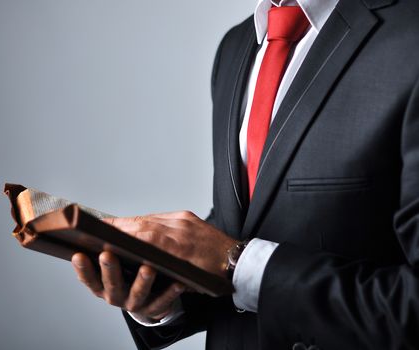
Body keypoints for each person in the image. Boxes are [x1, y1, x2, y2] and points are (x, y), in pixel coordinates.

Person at [71, 0, 419, 348]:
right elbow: (238, 226)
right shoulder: (235, 46)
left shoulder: (410, 35)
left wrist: (237, 262)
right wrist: (165, 293)